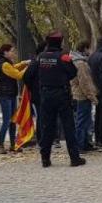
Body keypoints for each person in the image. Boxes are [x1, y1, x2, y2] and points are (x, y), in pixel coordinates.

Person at [23, 31, 85, 168]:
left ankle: (45, 159)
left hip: (45, 95)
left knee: (47, 127)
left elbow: (27, 76)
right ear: (60, 42)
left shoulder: (40, 58)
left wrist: (40, 85)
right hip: (62, 94)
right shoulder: (63, 57)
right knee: (69, 126)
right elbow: (73, 73)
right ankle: (74, 158)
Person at [0, 44, 29, 153]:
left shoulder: (6, 63)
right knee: (7, 120)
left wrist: (24, 63)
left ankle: (13, 145)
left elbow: (14, 68)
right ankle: (0, 145)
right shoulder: (4, 64)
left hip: (10, 94)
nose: (13, 53)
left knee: (13, 120)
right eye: (12, 51)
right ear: (5, 52)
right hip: (5, 95)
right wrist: (28, 67)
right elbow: (18, 75)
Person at [71, 41, 99, 152]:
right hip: (82, 96)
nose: (90, 51)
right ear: (85, 49)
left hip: (79, 94)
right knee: (82, 121)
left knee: (86, 121)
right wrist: (91, 96)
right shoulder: (81, 63)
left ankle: (85, 143)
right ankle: (80, 145)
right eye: (89, 49)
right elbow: (84, 82)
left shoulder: (77, 61)